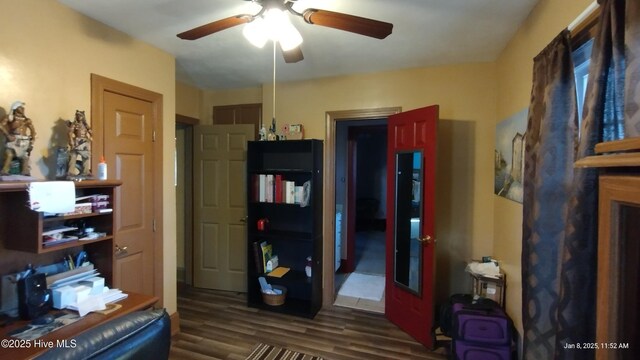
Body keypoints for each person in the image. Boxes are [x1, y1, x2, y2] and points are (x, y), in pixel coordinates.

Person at [0, 101, 36, 175]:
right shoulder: (10, 118)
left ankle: (25, 171)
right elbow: (1, 126)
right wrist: (8, 135)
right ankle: (4, 171)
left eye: (23, 108)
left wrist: (32, 141)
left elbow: (33, 131)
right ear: (15, 108)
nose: (23, 109)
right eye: (20, 107)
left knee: (25, 157)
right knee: (9, 154)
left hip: (24, 141)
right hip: (13, 140)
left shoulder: (27, 120)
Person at [67, 110, 93, 177]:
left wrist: (91, 137)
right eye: (78, 115)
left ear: (83, 116)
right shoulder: (74, 124)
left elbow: (91, 132)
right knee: (73, 156)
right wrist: (71, 141)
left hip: (84, 142)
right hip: (77, 142)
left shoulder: (85, 125)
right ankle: (70, 172)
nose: (79, 117)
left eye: (80, 115)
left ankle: (86, 172)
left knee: (86, 157)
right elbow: (70, 133)